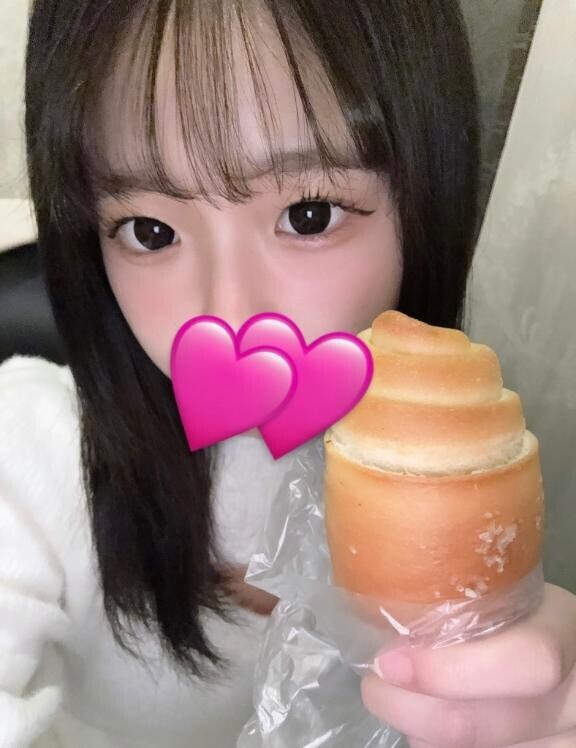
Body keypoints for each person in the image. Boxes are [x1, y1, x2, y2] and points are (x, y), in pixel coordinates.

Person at [1, 0, 574, 746]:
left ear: (424, 204)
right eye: (150, 230)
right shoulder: (29, 454)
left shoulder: (457, 471)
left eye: (309, 215)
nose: (227, 315)